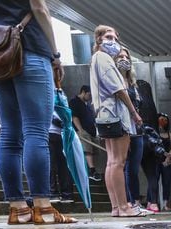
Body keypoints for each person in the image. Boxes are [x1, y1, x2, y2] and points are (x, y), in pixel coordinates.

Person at [0, 0, 77, 224]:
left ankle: (18, 209)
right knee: (36, 131)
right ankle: (43, 208)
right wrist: (55, 54)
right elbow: (39, 8)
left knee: (9, 134)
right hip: (30, 49)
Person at [90, 25, 145, 218]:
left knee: (112, 162)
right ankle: (123, 206)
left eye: (115, 37)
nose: (113, 41)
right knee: (118, 162)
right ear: (99, 39)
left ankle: (116, 207)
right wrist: (134, 112)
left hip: (105, 115)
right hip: (115, 115)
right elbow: (119, 89)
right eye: (108, 37)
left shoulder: (96, 59)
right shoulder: (103, 58)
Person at [115, 47, 146, 211]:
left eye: (126, 57)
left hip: (137, 130)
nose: (123, 59)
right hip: (122, 129)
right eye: (120, 57)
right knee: (123, 166)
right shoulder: (114, 81)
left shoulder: (133, 84)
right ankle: (128, 202)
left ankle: (135, 202)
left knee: (133, 168)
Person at [69, 85, 102, 181]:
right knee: (87, 149)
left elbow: (91, 117)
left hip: (91, 130)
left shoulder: (86, 104)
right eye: (89, 94)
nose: (90, 97)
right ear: (83, 92)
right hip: (82, 130)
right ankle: (92, 171)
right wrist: (80, 130)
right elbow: (74, 116)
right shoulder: (74, 102)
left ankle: (94, 170)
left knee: (94, 150)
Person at [144, 114, 171, 212]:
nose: (163, 122)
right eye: (161, 119)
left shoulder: (168, 133)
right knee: (153, 180)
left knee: (167, 182)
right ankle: (151, 201)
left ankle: (166, 203)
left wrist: (169, 155)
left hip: (167, 161)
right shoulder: (154, 133)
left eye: (165, 120)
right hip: (156, 159)